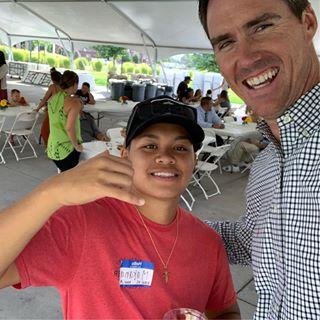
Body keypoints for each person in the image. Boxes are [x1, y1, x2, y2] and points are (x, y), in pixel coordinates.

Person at [0, 96, 240, 319]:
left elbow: (226, 312)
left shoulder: (208, 243)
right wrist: (49, 193)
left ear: (193, 161)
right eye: (150, 146)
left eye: (180, 148)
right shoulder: (82, 223)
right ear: (125, 155)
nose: (166, 157)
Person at [199, 0, 320, 318]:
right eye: (226, 42)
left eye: (262, 26)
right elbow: (249, 239)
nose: (246, 57)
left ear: (308, 22)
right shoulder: (268, 165)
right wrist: (158, 221)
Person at [47, 70, 83, 172]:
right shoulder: (74, 102)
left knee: (64, 177)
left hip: (52, 148)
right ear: (75, 84)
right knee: (73, 180)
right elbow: (69, 128)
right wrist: (76, 146)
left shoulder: (53, 99)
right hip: (66, 150)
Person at [36, 70, 62, 147]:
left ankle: (49, 147)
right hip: (62, 111)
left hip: (53, 111)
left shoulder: (53, 87)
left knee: (45, 130)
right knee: (57, 130)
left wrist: (37, 108)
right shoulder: (64, 87)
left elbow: (44, 99)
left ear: (52, 79)